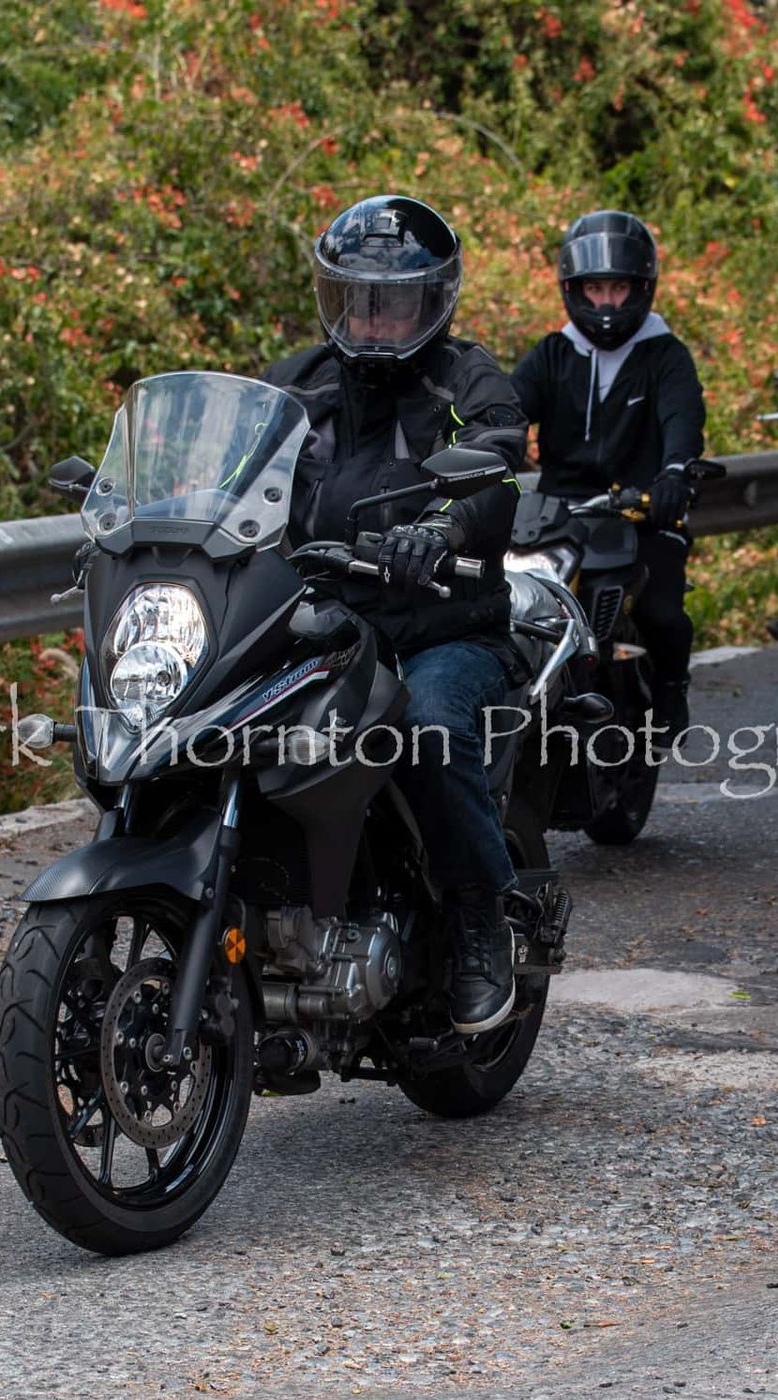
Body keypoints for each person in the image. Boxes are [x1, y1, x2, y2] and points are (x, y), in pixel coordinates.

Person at [262, 194, 529, 1032]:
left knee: (427, 729)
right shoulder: (294, 384)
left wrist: (442, 528)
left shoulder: (468, 381)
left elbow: (496, 467)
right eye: (357, 299)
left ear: (435, 301)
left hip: (442, 628)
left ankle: (479, 918)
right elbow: (226, 469)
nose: (372, 319)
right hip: (320, 625)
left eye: (394, 302)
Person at [509, 210, 707, 735]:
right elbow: (505, 411)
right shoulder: (552, 354)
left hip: (643, 511)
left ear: (642, 288)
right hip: (559, 516)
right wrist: (475, 448)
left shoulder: (666, 356)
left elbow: (682, 419)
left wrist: (674, 474)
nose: (606, 303)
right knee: (509, 607)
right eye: (594, 289)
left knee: (662, 613)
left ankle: (671, 689)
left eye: (618, 288)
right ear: (573, 289)